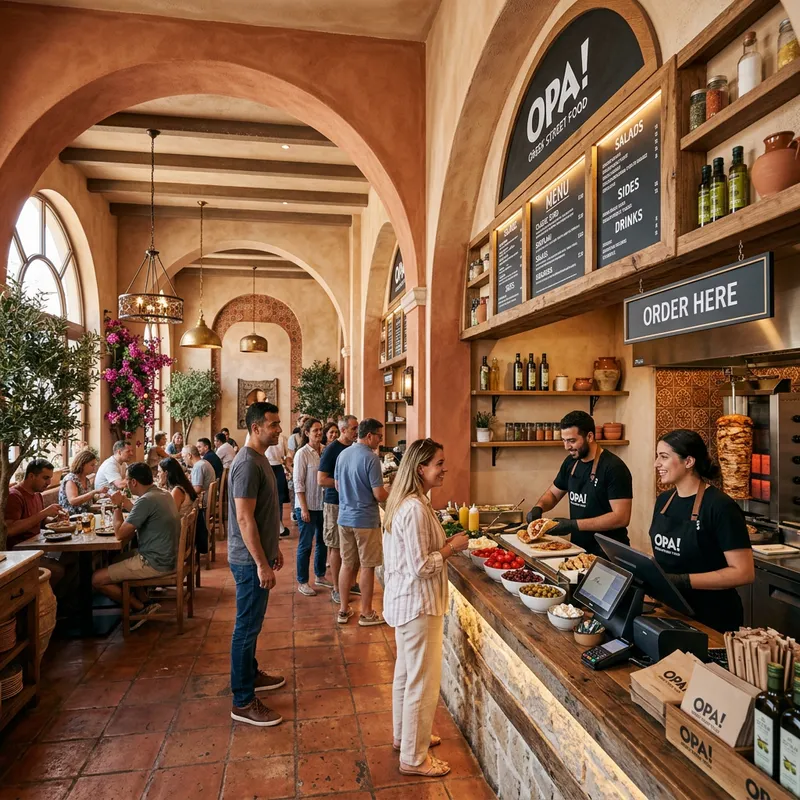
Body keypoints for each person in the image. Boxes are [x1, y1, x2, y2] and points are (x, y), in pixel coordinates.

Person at [384, 438, 469, 777]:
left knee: (406, 674)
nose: (443, 468)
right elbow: (421, 566)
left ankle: (403, 738)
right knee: (423, 681)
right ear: (421, 468)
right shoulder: (416, 508)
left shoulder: (405, 501)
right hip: (418, 604)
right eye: (439, 463)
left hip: (405, 602)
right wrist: (452, 546)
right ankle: (414, 758)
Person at [651, 429, 754, 632]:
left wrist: (683, 580)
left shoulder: (720, 507)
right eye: (657, 456)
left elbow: (744, 573)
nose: (656, 464)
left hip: (712, 619)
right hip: (672, 611)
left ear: (688, 461)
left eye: (663, 457)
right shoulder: (664, 501)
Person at [228, 401, 286, 726]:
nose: (279, 429)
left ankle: (250, 675)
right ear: (255, 428)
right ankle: (242, 699)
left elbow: (263, 514)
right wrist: (261, 563)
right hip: (248, 562)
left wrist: (273, 547)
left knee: (252, 626)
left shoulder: (259, 459)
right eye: (273, 424)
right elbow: (243, 517)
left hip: (257, 555)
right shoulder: (247, 464)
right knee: (246, 628)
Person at [526, 410, 632, 556]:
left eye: (572, 441)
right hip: (578, 549)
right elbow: (553, 494)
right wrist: (539, 507)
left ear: (589, 436)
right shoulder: (571, 462)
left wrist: (572, 525)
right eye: (564, 440)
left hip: (609, 553)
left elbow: (621, 518)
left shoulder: (614, 467)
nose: (566, 447)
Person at [91, 462, 180, 630]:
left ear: (133, 482)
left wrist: (117, 505)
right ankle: (145, 601)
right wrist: (125, 502)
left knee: (96, 579)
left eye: (127, 480)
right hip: (168, 556)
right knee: (116, 559)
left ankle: (139, 607)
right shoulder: (162, 494)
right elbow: (142, 513)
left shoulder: (146, 500)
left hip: (155, 562)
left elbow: (120, 534)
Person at [334, 418, 388, 626]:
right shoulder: (371, 459)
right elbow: (379, 495)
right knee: (367, 566)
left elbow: (338, 485)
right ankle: (366, 613)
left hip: (344, 518)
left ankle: (343, 609)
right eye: (379, 437)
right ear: (369, 436)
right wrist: (391, 492)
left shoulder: (343, 454)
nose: (380, 441)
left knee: (347, 564)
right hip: (365, 519)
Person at [5, 459, 72, 588]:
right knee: (58, 570)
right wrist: (44, 513)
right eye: (45, 478)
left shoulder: (37, 495)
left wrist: (57, 521)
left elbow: (40, 522)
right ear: (31, 476)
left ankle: (61, 602)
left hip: (38, 548)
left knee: (72, 558)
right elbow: (10, 529)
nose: (49, 482)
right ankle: (41, 603)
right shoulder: (15, 496)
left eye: (50, 478)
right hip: (19, 554)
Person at [318, 415, 360, 605]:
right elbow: (321, 480)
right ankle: (336, 587)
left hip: (352, 503)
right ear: (343, 431)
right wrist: (343, 485)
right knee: (335, 546)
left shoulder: (356, 448)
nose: (356, 432)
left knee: (353, 546)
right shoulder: (331, 450)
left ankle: (351, 583)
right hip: (334, 504)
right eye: (353, 429)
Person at [293, 417, 330, 596]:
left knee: (323, 542)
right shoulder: (302, 454)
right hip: (306, 506)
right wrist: (304, 508)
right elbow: (298, 483)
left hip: (322, 505)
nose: (319, 433)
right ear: (306, 433)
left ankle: (320, 575)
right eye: (315, 430)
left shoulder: (324, 451)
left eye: (320, 430)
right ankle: (302, 581)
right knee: (305, 545)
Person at [182, 444, 215, 554]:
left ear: (189, 456)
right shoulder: (204, 462)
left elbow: (196, 489)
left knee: (181, 510)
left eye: (183, 456)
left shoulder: (198, 467)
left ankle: (185, 547)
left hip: (203, 504)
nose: (183, 459)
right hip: (207, 500)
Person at [59, 449, 108, 515]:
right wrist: (94, 492)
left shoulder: (86, 479)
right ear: (82, 464)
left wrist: (101, 496)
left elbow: (87, 501)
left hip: (86, 515)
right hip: (72, 518)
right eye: (92, 465)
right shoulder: (71, 479)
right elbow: (73, 501)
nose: (94, 468)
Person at [265, 433, 291, 538]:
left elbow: (287, 454)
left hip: (278, 467)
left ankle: (279, 525)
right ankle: (268, 527)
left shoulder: (282, 438)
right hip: (266, 466)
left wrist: (289, 466)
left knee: (279, 497)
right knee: (267, 497)